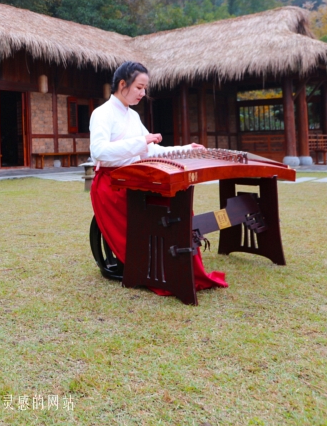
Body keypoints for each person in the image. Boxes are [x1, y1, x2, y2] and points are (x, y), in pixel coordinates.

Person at [89, 61, 227, 293]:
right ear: (122, 84)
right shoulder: (101, 113)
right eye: (139, 87)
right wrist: (140, 141)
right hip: (113, 185)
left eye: (145, 88)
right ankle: (153, 265)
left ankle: (174, 264)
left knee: (175, 202)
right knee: (157, 210)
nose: (143, 93)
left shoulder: (132, 116)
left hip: (135, 179)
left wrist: (185, 149)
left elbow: (151, 150)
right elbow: (99, 152)